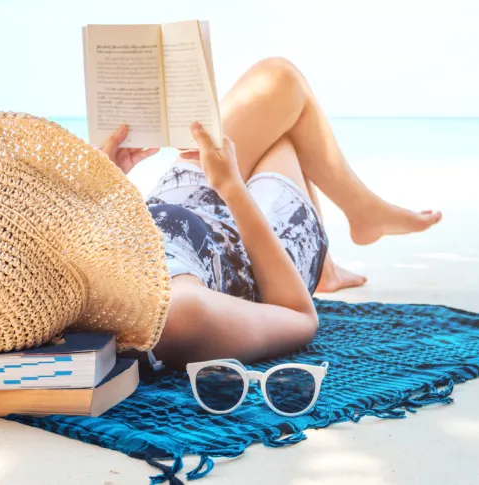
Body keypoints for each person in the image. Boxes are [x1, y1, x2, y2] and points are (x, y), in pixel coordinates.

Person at [99, 58, 442, 367]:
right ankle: (340, 247)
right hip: (259, 254)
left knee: (279, 83)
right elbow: (300, 317)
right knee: (283, 133)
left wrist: (102, 186)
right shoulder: (181, 313)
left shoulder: (86, 268)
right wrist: (232, 187)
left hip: (180, 203)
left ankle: (358, 222)